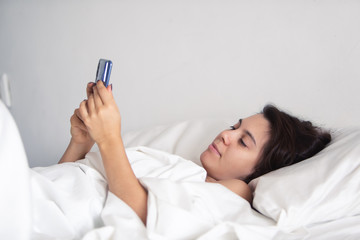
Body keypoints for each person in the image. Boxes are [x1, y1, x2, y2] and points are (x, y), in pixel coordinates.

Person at [59, 81, 331, 225]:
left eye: (243, 142)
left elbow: (143, 213)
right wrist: (81, 143)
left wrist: (109, 140)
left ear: (262, 171)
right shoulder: (188, 171)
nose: (227, 135)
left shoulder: (237, 192)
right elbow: (65, 187)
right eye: (234, 127)